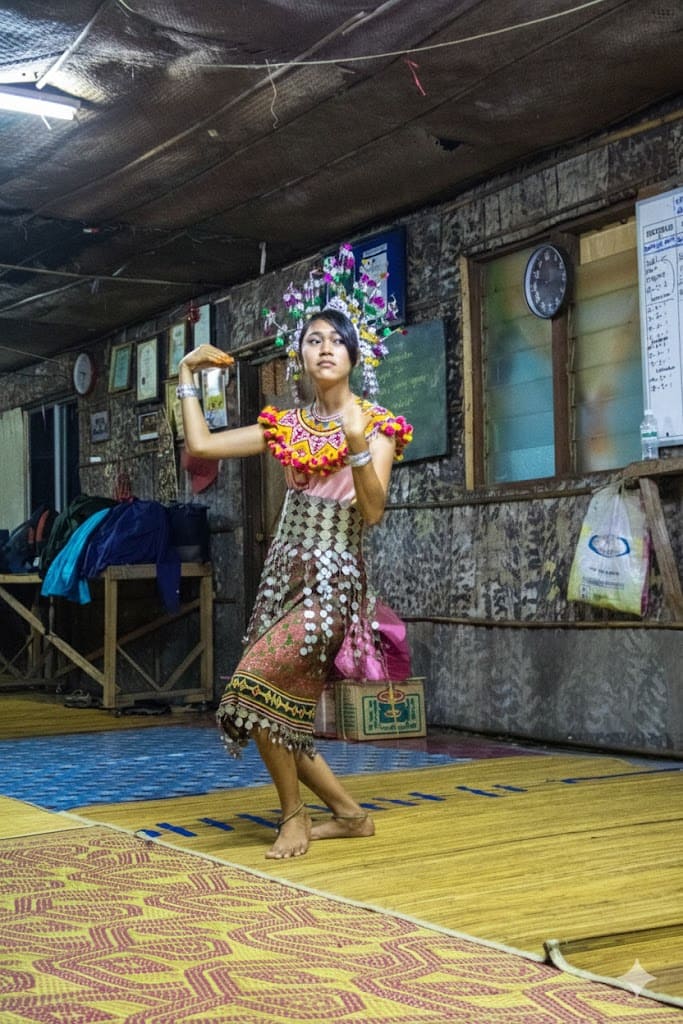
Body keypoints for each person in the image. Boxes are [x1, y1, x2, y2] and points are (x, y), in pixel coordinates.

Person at [177, 307, 412, 859]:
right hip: (282, 577)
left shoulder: (377, 425)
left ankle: (294, 817)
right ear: (300, 357)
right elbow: (202, 447)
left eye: (337, 340)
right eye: (313, 340)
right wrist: (186, 377)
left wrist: (356, 445)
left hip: (333, 583)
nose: (325, 348)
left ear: (355, 354)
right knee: (271, 703)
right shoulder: (286, 425)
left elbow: (373, 511)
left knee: (251, 688)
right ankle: (351, 816)